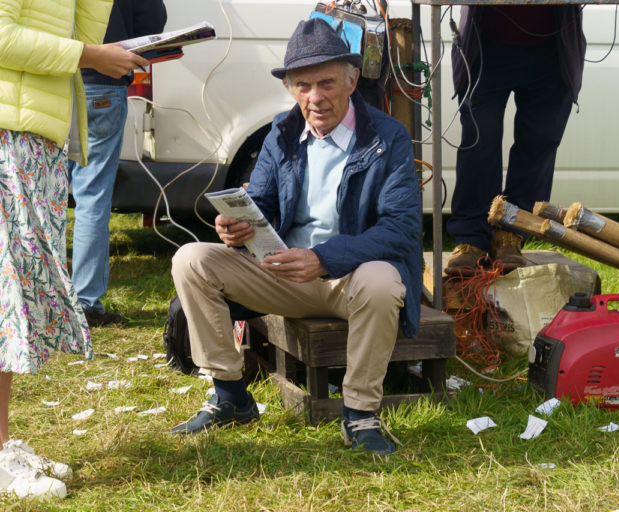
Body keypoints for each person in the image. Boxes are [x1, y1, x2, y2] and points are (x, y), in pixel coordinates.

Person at [171, 18, 422, 456]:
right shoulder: (282, 133)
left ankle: (361, 414)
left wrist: (324, 258)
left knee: (383, 280)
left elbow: (400, 228)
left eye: (326, 83)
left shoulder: (388, 137)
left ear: (351, 81)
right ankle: (230, 395)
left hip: (352, 280)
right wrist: (240, 227)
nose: (315, 97)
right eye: (303, 85)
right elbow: (264, 202)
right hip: (285, 273)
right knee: (190, 259)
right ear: (290, 88)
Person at [0, 0, 148, 499]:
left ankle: (0, 443)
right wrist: (90, 54)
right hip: (8, 137)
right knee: (4, 297)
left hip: (33, 136)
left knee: (10, 298)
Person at [445, 5, 586, 274]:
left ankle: (511, 235)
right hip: (485, 43)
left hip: (552, 47)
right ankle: (471, 240)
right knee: (479, 142)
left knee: (539, 143)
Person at [69, 0, 167, 327]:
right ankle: (87, 305)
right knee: (92, 197)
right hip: (103, 82)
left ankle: (43, 302)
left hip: (50, 78)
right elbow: (153, 18)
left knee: (44, 197)